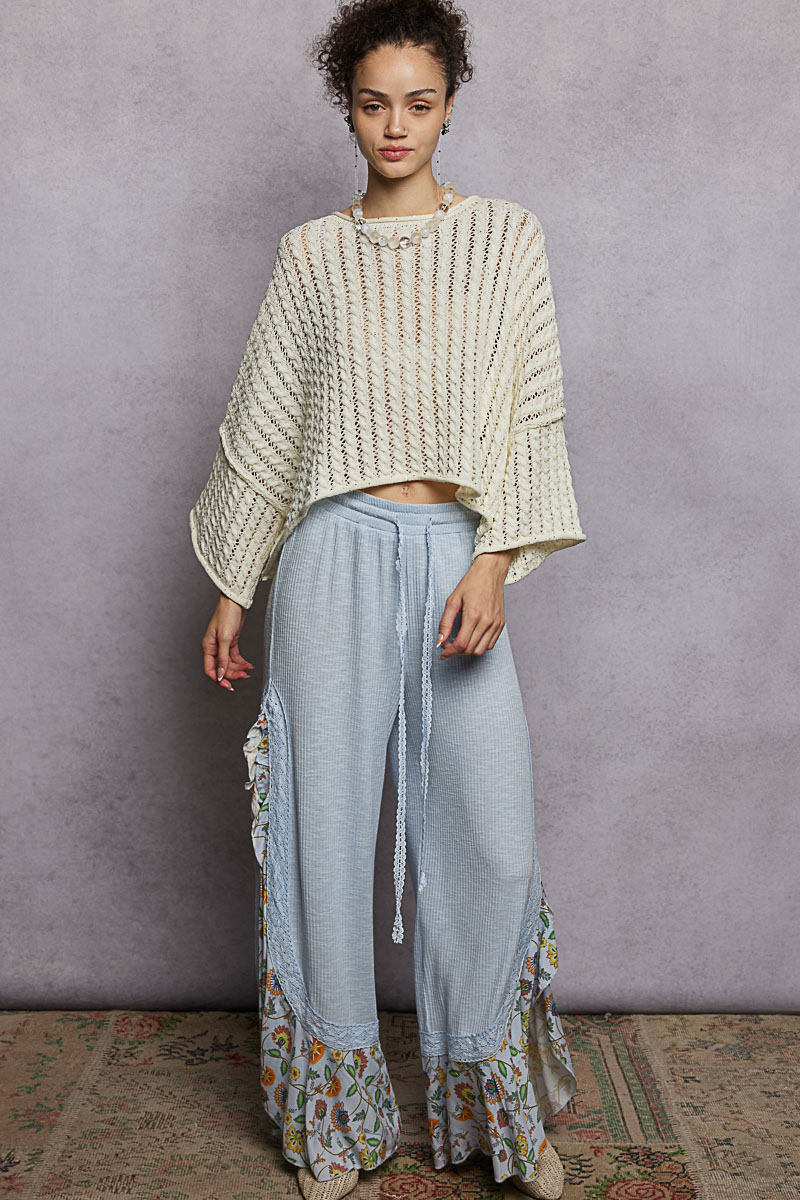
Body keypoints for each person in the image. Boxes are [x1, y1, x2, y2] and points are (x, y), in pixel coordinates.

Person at [189, 2, 586, 1197]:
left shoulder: (507, 238)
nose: (395, 125)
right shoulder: (310, 256)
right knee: (319, 828)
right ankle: (336, 1126)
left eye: (418, 102)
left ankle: (498, 1115)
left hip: (455, 552)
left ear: (450, 103)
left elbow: (525, 418)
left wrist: (493, 559)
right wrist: (232, 584)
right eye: (372, 103)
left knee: (492, 834)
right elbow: (269, 429)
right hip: (331, 555)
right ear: (347, 109)